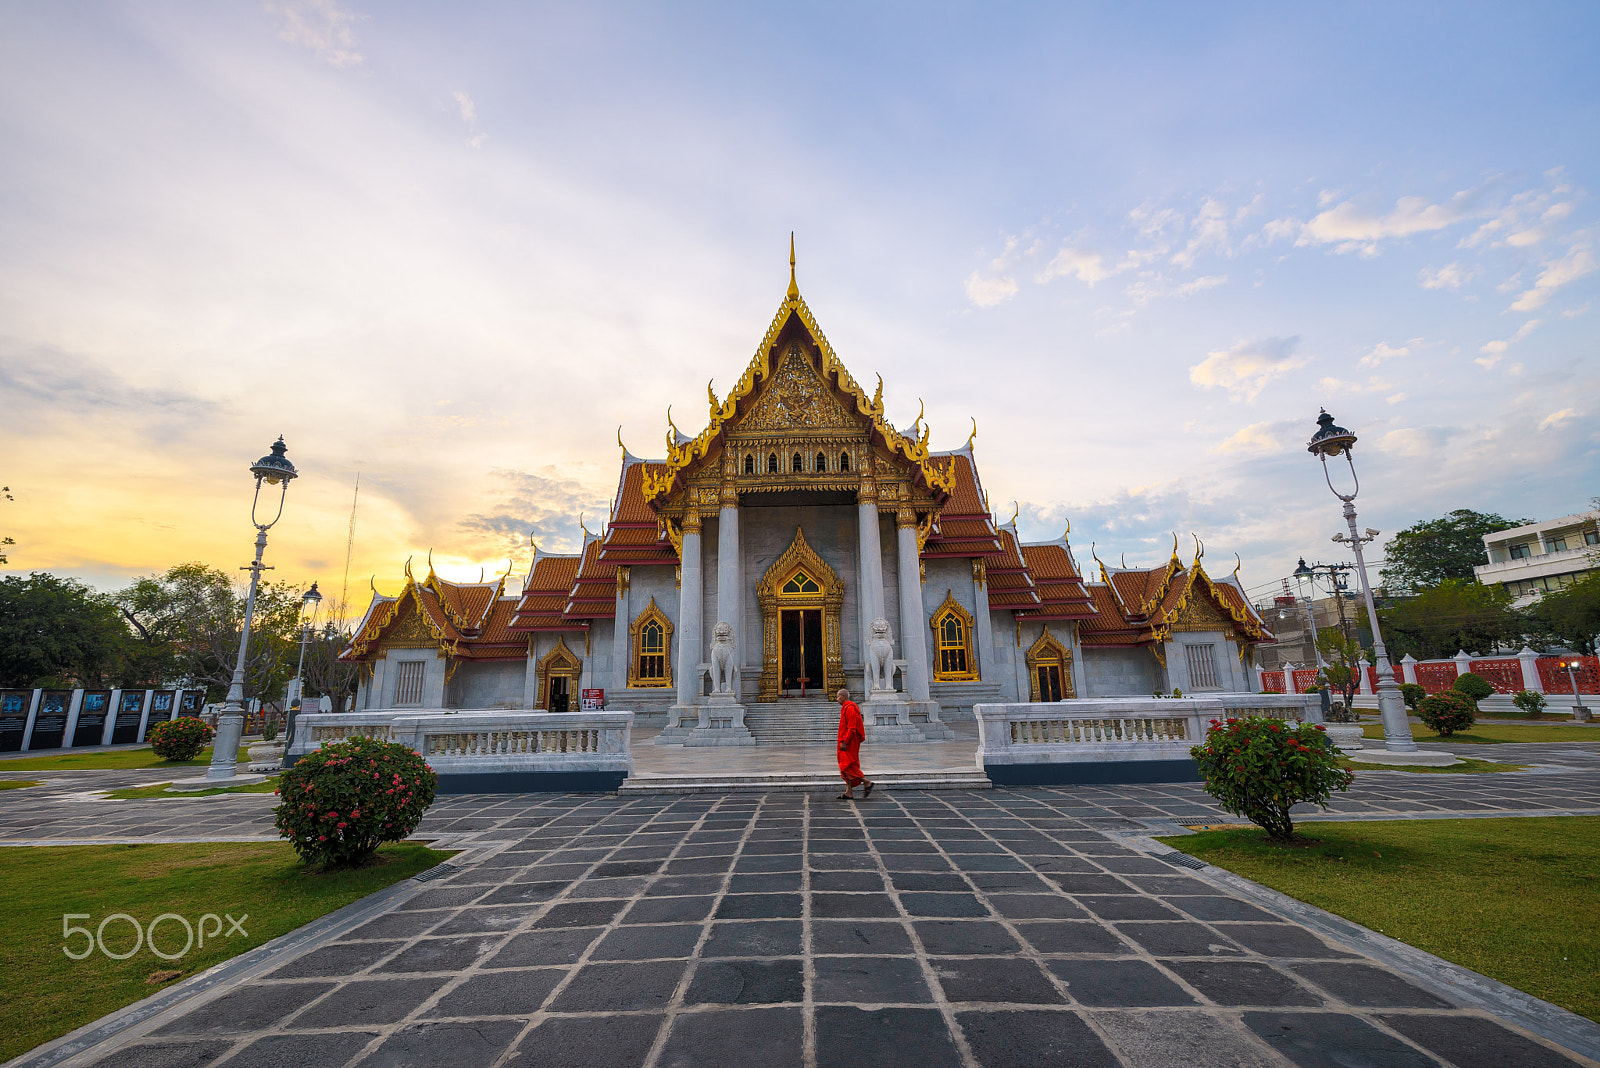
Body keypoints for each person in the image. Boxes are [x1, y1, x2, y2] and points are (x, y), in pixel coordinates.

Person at [835, 688, 872, 800]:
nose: (837, 699)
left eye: (838, 696)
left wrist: (845, 741)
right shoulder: (846, 708)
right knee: (847, 766)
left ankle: (866, 782)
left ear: (843, 697)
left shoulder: (850, 708)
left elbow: (852, 728)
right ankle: (849, 792)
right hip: (846, 741)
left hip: (849, 742)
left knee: (848, 765)